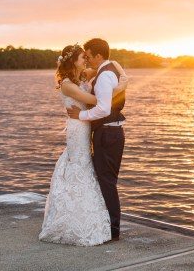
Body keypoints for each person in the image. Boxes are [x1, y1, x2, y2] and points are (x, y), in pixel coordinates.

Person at [39, 43, 129, 246]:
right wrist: (121, 86)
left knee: (89, 169)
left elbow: (110, 63)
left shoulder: (82, 76)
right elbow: (97, 100)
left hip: (87, 125)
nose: (86, 61)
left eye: (87, 57)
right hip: (78, 128)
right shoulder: (68, 84)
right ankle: (73, 216)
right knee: (80, 165)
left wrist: (123, 75)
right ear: (74, 61)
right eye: (82, 58)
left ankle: (92, 215)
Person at [66, 38, 126, 241]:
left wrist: (80, 116)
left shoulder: (105, 74)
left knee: (107, 182)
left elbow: (103, 108)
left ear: (99, 56)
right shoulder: (107, 69)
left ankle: (113, 231)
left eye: (89, 56)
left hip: (108, 134)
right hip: (110, 132)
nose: (88, 59)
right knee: (106, 181)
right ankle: (108, 226)